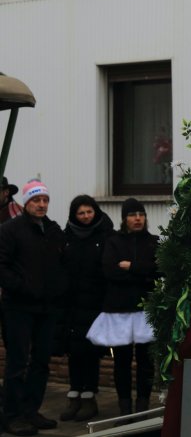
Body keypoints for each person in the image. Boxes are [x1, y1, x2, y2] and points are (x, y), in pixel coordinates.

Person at [0, 180, 66, 436]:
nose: (41, 205)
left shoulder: (53, 230)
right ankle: (12, 415)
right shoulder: (10, 230)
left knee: (41, 362)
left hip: (47, 308)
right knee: (18, 362)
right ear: (26, 202)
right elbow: (2, 267)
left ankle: (31, 410)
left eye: (45, 200)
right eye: (36, 200)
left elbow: (62, 263)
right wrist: (23, 287)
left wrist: (58, 288)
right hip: (19, 307)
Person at [86, 198, 158, 419]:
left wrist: (132, 267)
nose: (137, 218)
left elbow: (159, 270)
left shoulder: (154, 242)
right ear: (124, 219)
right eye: (132, 215)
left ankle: (143, 407)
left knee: (146, 362)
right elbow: (110, 271)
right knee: (122, 362)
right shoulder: (113, 242)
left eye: (141, 214)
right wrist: (143, 274)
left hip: (145, 310)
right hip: (119, 311)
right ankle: (124, 409)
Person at [59, 195, 114, 422]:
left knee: (91, 352)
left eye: (89, 212)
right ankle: (74, 395)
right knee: (74, 351)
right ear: (74, 215)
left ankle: (89, 397)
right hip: (71, 305)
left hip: (95, 304)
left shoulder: (105, 236)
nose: (85, 217)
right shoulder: (67, 237)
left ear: (95, 212)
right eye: (81, 213)